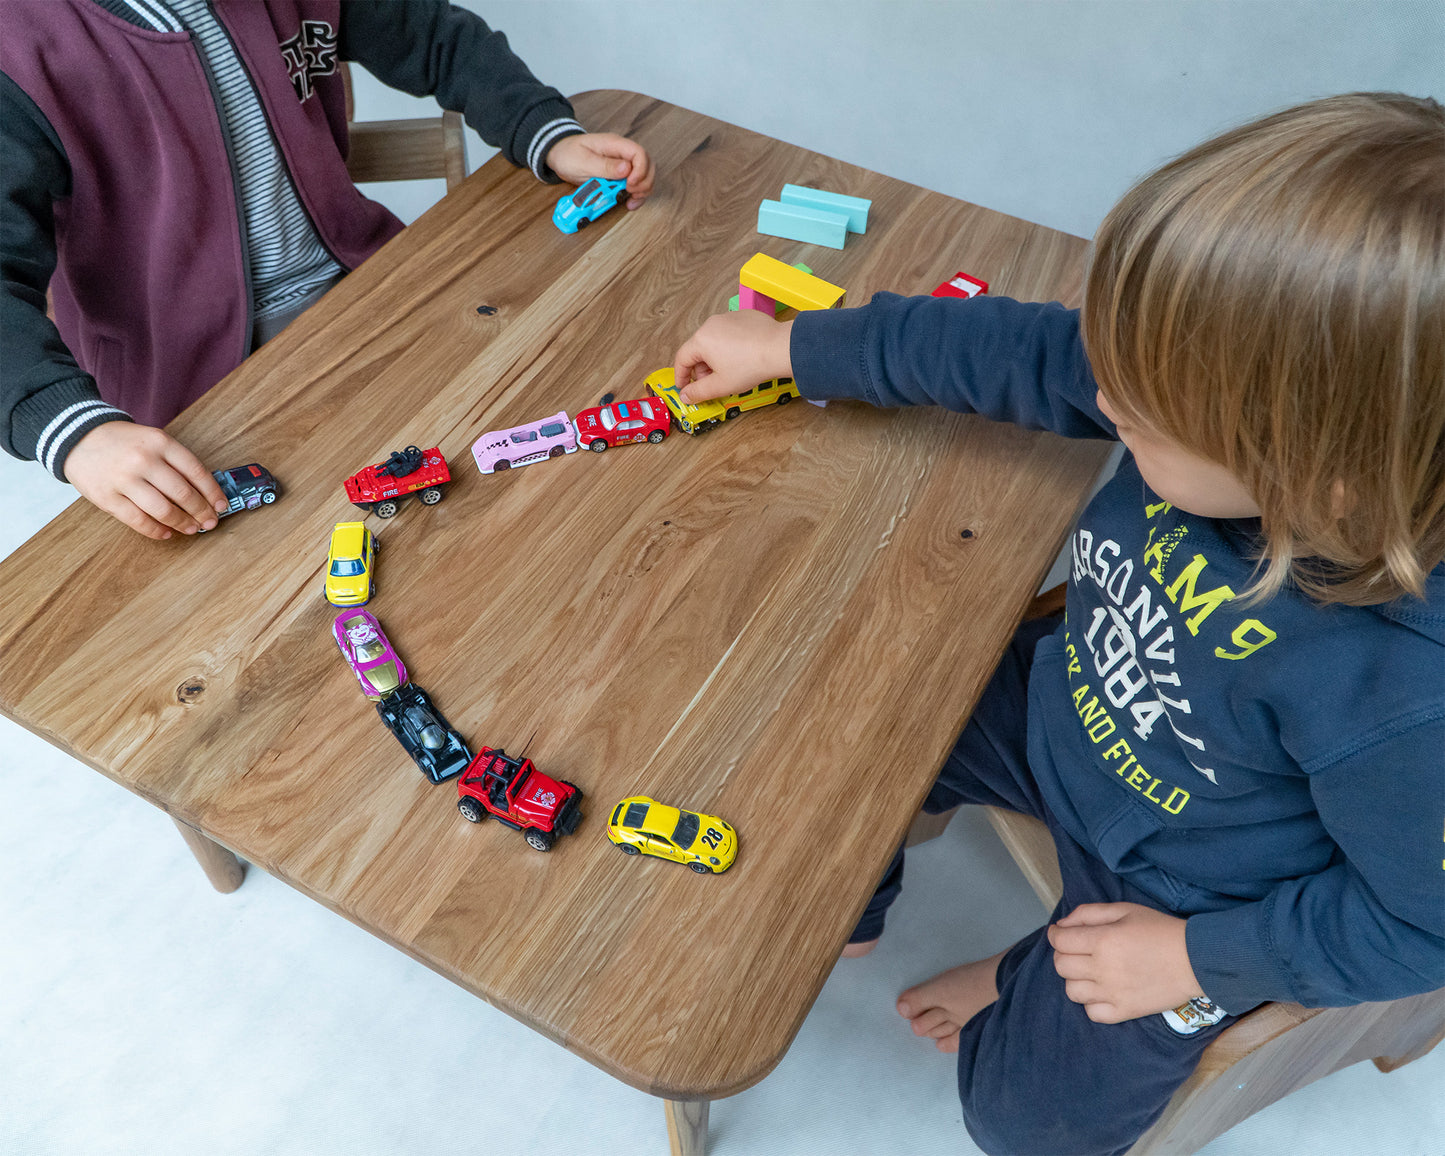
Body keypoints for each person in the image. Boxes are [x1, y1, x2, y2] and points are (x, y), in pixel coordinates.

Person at [671, 92, 1444, 1155]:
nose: (1101, 395)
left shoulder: (1408, 693)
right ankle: (870, 904)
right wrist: (798, 348)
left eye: (1139, 408)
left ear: (1324, 478)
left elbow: (1419, 926)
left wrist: (1192, 957)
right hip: (1059, 713)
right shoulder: (1198, 397)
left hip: (1194, 884)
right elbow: (1024, 351)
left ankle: (1029, 967)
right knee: (841, 709)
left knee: (1023, 1124)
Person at [0, 0, 653, 539]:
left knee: (563, 459)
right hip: (190, 389)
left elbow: (433, 36)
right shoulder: (20, 51)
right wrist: (74, 432)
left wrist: (545, 131)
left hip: (376, 291)